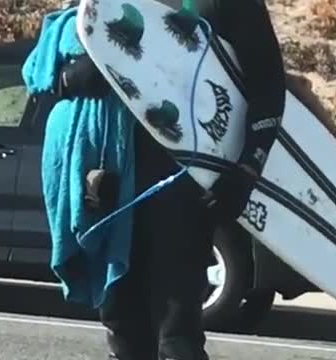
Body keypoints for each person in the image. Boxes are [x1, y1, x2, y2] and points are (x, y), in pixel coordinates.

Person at [53, 0, 286, 359]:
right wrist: (74, 76)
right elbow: (51, 71)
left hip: (184, 186)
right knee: (122, 325)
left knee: (176, 335)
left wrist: (246, 171)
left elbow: (268, 85)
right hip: (116, 185)